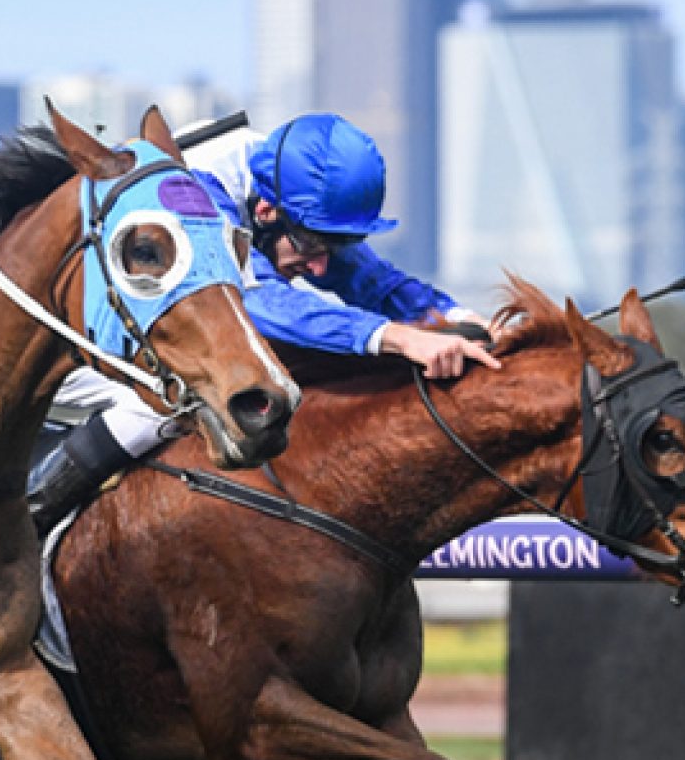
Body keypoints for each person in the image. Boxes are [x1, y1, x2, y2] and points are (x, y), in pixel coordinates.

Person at [29, 112, 502, 533]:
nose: (318, 269)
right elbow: (255, 301)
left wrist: (460, 319)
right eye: (311, 248)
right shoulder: (196, 194)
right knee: (165, 403)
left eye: (328, 249)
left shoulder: (292, 199)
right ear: (264, 213)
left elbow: (372, 280)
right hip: (59, 344)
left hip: (141, 334)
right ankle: (33, 516)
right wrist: (396, 338)